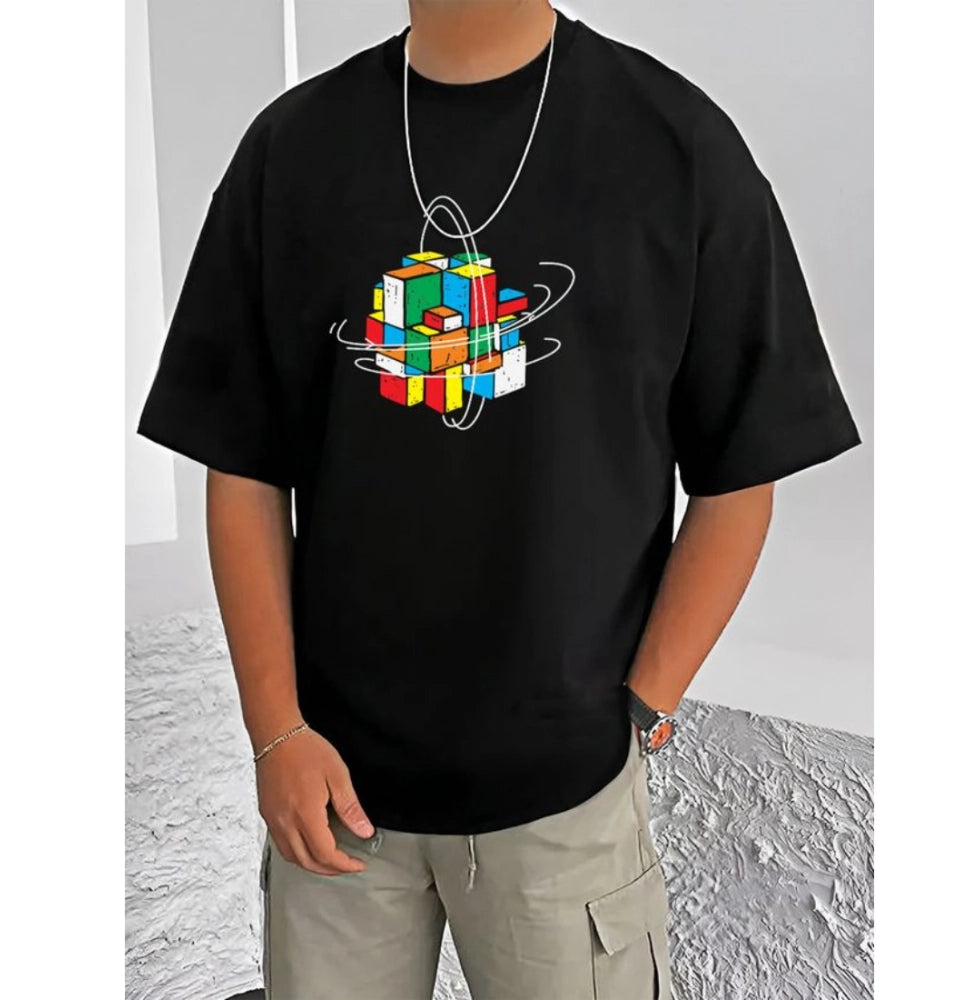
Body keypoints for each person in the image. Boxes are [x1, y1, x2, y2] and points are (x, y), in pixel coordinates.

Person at [137, 1, 861, 997]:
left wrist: (646, 698)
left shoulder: (676, 146)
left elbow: (744, 464)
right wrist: (276, 731)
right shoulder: (292, 151)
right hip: (332, 788)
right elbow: (241, 463)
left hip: (566, 799)